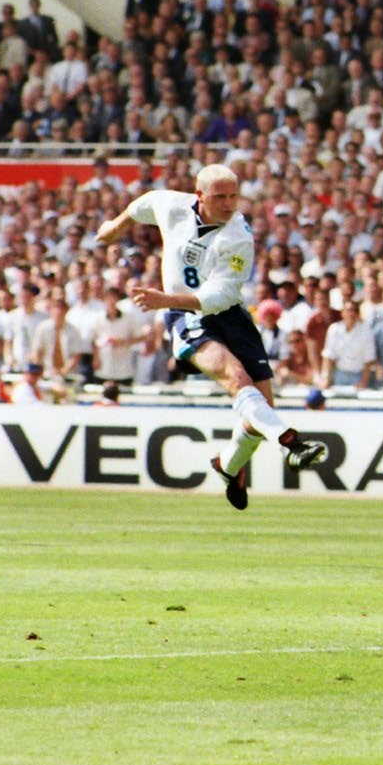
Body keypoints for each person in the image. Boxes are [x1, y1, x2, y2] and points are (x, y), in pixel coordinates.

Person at [96, 164, 326, 510]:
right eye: (220, 196)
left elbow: (220, 296)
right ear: (200, 195)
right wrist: (113, 228)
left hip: (228, 314)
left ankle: (228, 466)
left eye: (234, 196)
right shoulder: (173, 205)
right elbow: (145, 203)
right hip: (187, 316)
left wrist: (164, 299)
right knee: (237, 378)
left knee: (260, 410)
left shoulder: (238, 235)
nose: (229, 203)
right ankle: (290, 443)